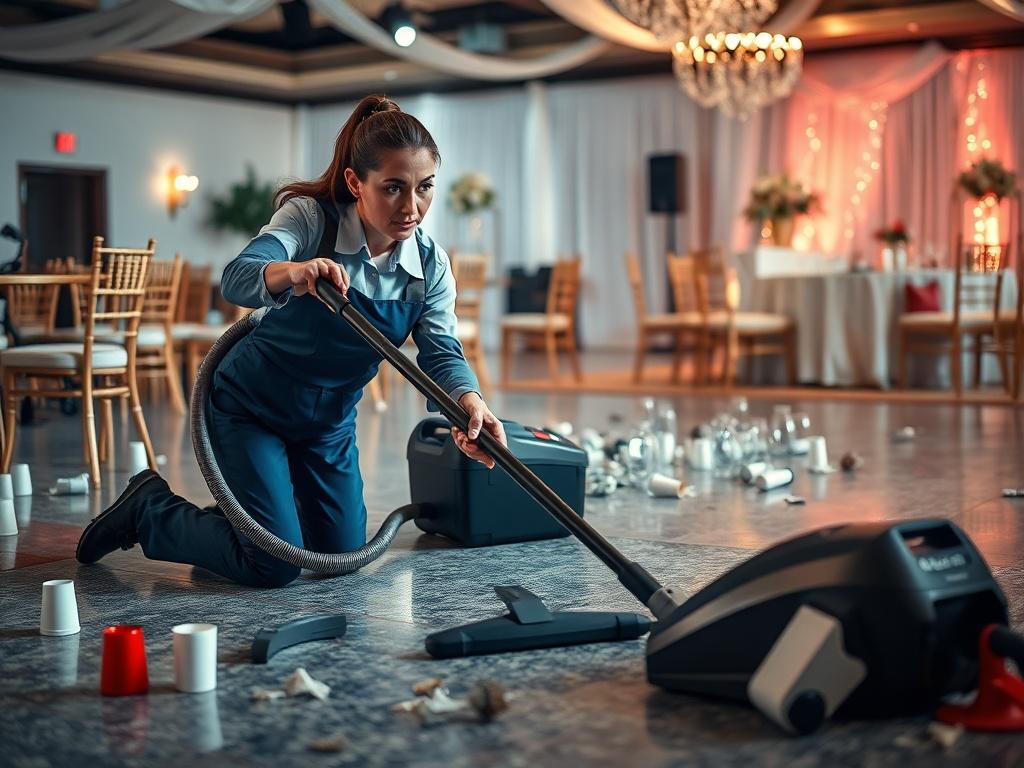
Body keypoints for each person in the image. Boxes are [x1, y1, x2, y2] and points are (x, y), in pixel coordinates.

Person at [76, 94, 507, 587]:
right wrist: (293, 271)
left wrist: (470, 403)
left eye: (424, 188)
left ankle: (252, 517)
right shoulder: (310, 219)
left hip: (327, 427)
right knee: (273, 565)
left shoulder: (430, 265)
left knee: (337, 555)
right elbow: (237, 277)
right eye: (393, 188)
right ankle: (149, 510)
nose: (412, 208)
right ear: (355, 183)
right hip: (250, 409)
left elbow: (441, 353)